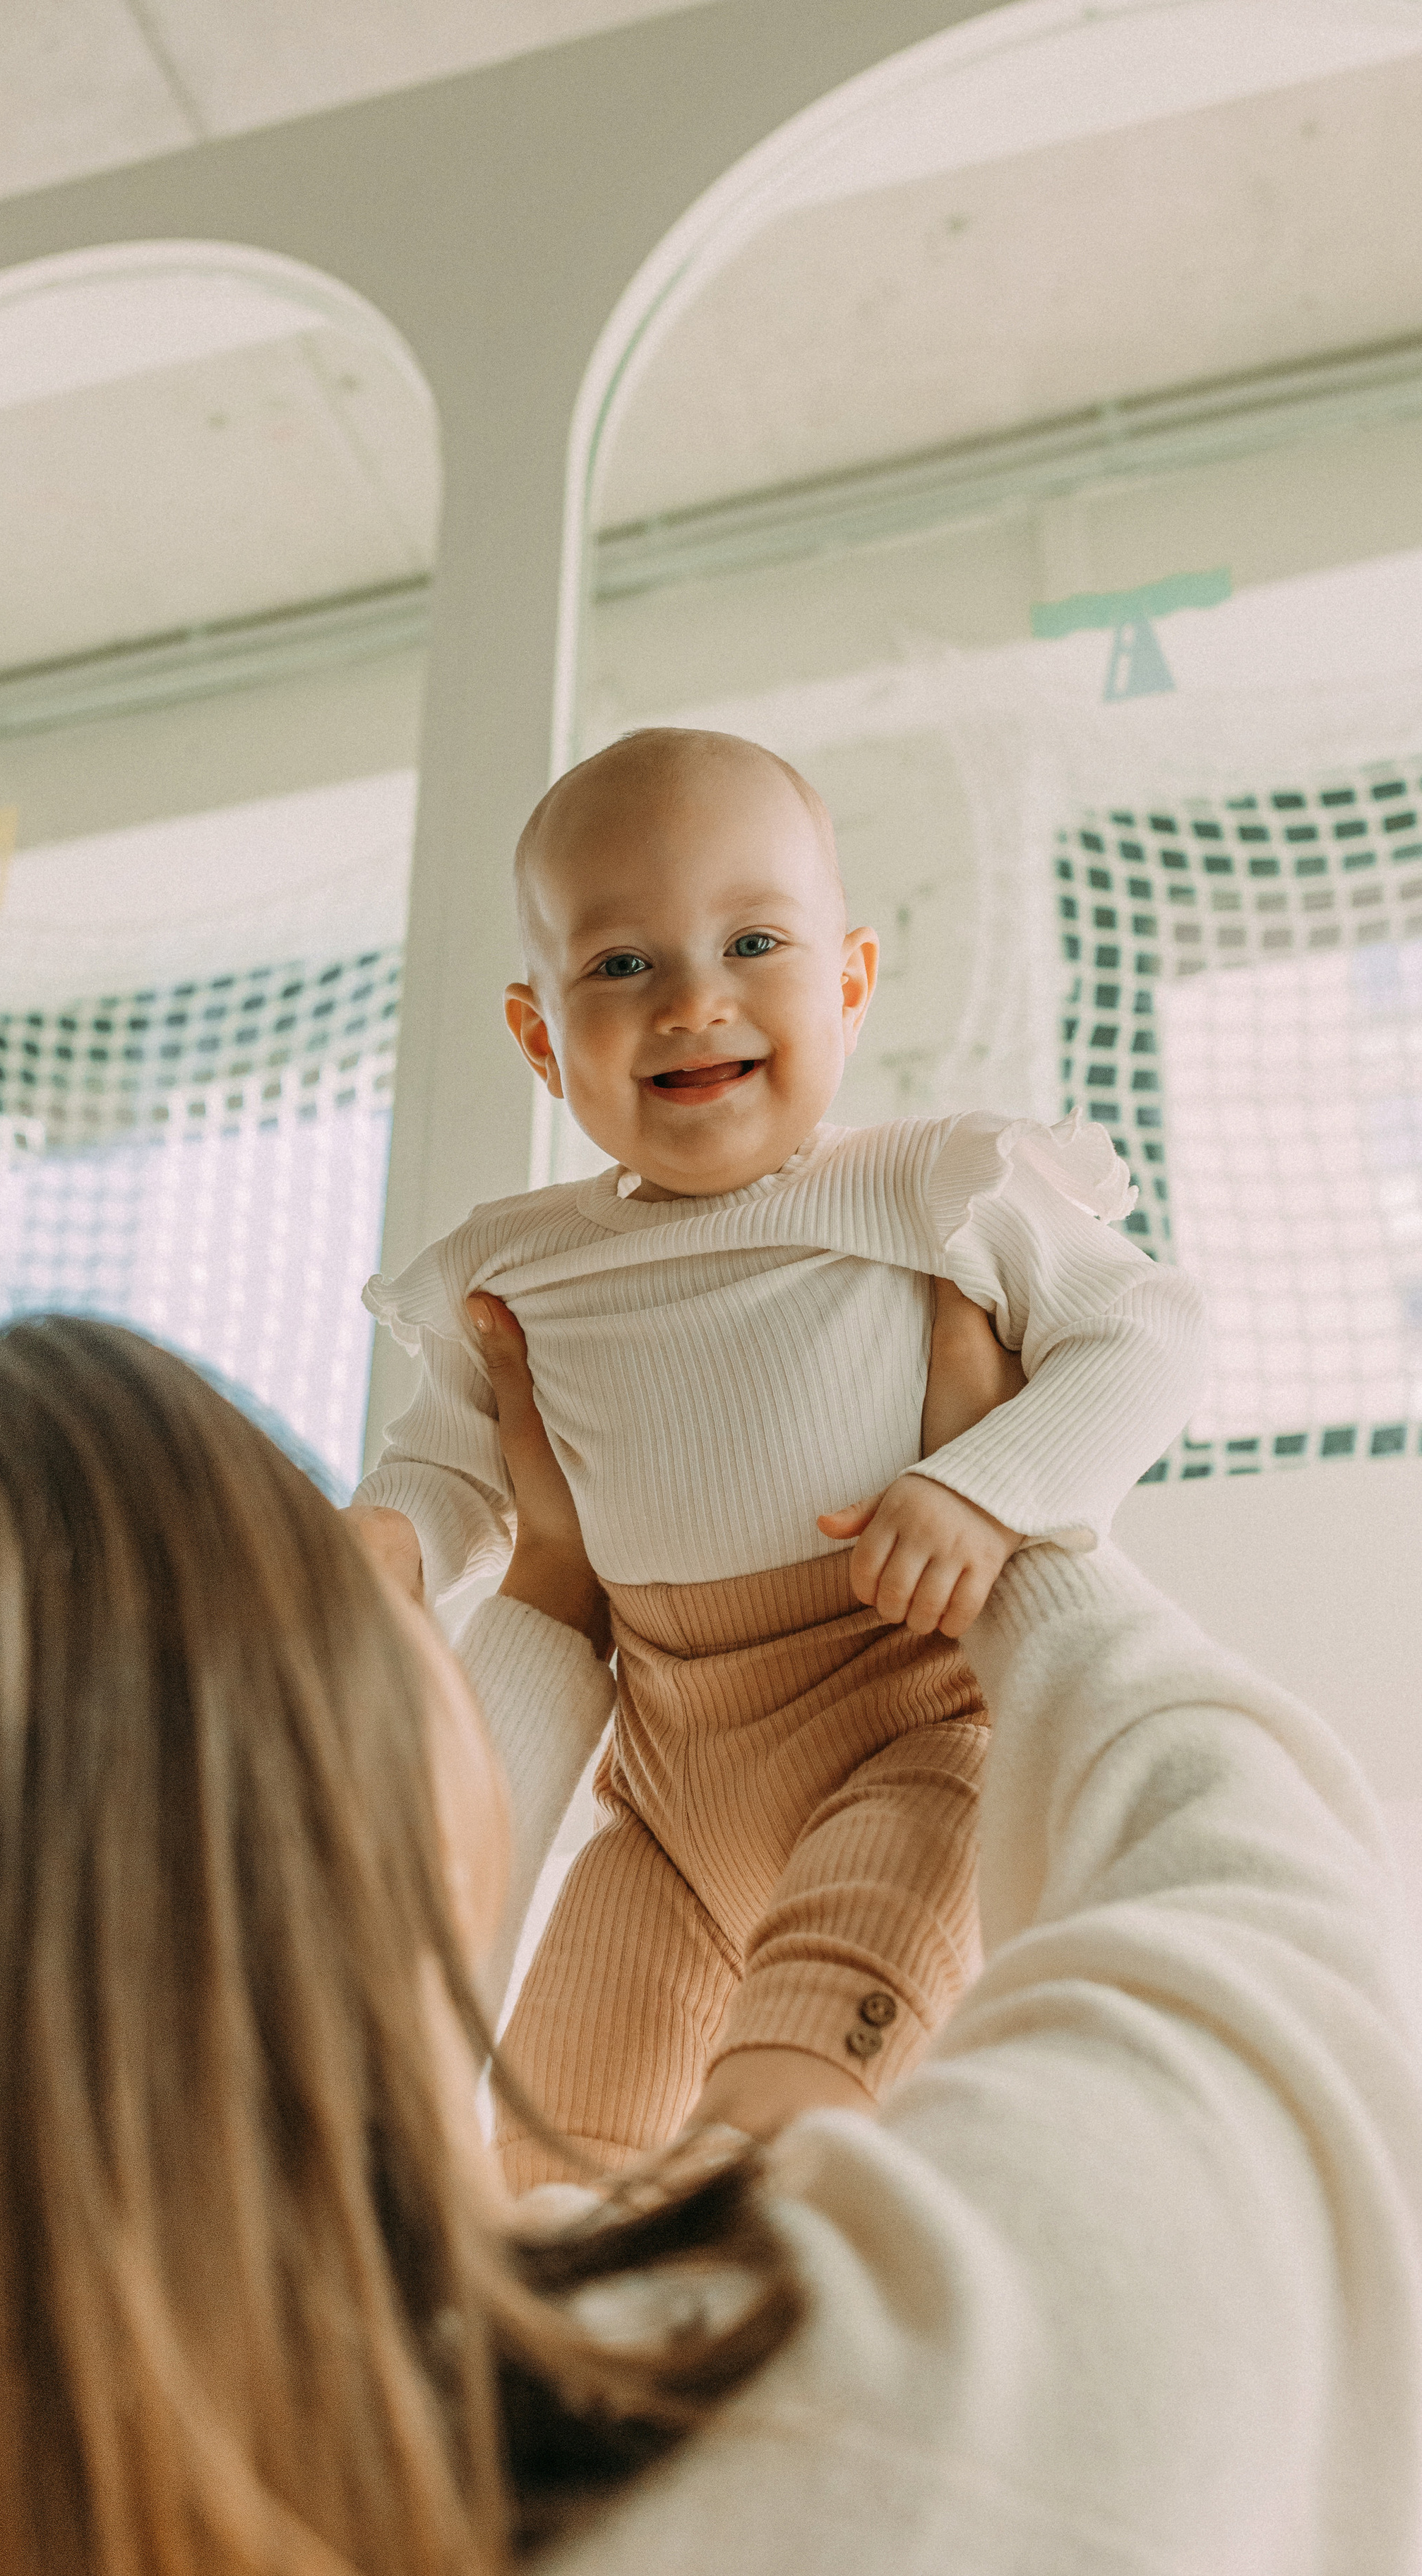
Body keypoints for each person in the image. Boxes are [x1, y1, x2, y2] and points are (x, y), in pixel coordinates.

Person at [0, 1310, 1416, 2576]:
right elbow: (1287, 1950)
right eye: (351, 1580)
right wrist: (1021, 1528)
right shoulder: (849, 2431)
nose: (405, 1562)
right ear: (316, 1811)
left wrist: (546, 1615)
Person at [352, 728, 1207, 2182]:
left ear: (851, 984)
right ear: (536, 1036)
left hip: (907, 1732)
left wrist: (981, 1490)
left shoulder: (933, 1186)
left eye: (752, 941)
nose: (692, 1000)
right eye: (620, 964)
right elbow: (450, 1471)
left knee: (787, 2107)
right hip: (667, 1798)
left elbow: (1144, 1334)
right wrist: (370, 1557)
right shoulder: (521, 1267)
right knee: (553, 2145)